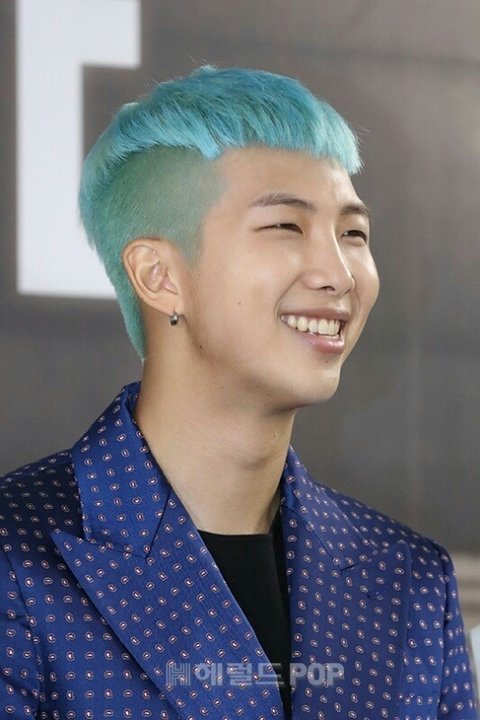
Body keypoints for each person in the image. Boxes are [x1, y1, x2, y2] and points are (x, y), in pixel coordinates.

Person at [0, 66, 476, 720]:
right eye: (286, 227)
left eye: (353, 233)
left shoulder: (413, 585)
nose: (339, 274)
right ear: (159, 276)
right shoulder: (19, 555)